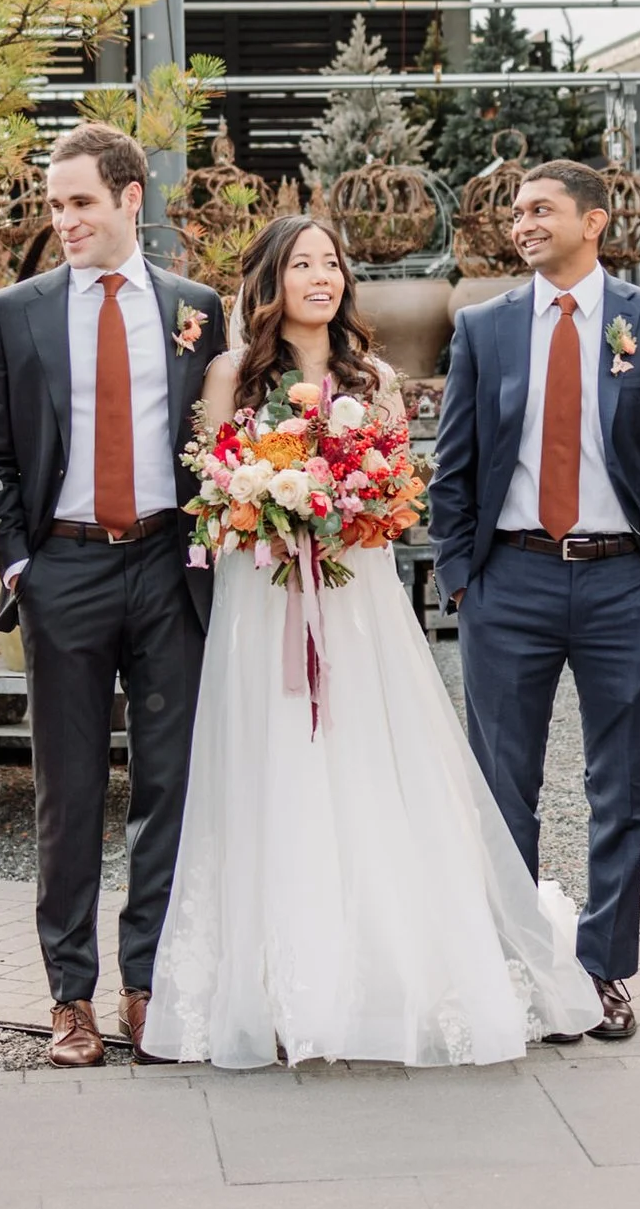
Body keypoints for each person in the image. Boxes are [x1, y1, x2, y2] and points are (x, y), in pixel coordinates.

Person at [141, 216, 601, 1067]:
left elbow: (397, 495)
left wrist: (341, 505)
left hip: (355, 606)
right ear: (270, 280)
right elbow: (204, 496)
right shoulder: (228, 376)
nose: (322, 276)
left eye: (331, 263)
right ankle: (274, 986)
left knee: (367, 768)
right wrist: (265, 503)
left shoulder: (376, 376)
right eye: (303, 263)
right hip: (263, 605)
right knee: (271, 770)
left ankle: (385, 978)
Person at [429, 160, 640, 1042]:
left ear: (593, 222)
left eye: (541, 209)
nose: (523, 223)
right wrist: (461, 576)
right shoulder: (483, 326)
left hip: (624, 584)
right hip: (507, 582)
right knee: (503, 786)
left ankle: (603, 971)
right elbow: (455, 464)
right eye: (517, 212)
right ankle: (513, 969)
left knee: (619, 787)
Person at [0, 123, 227, 1067]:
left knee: (170, 784)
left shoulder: (198, 310)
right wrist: (23, 566)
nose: (63, 219)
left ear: (130, 199)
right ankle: (68, 995)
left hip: (168, 568)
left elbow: (217, 445)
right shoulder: (15, 314)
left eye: (80, 201)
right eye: (54, 203)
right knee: (67, 793)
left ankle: (146, 981)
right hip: (64, 572)